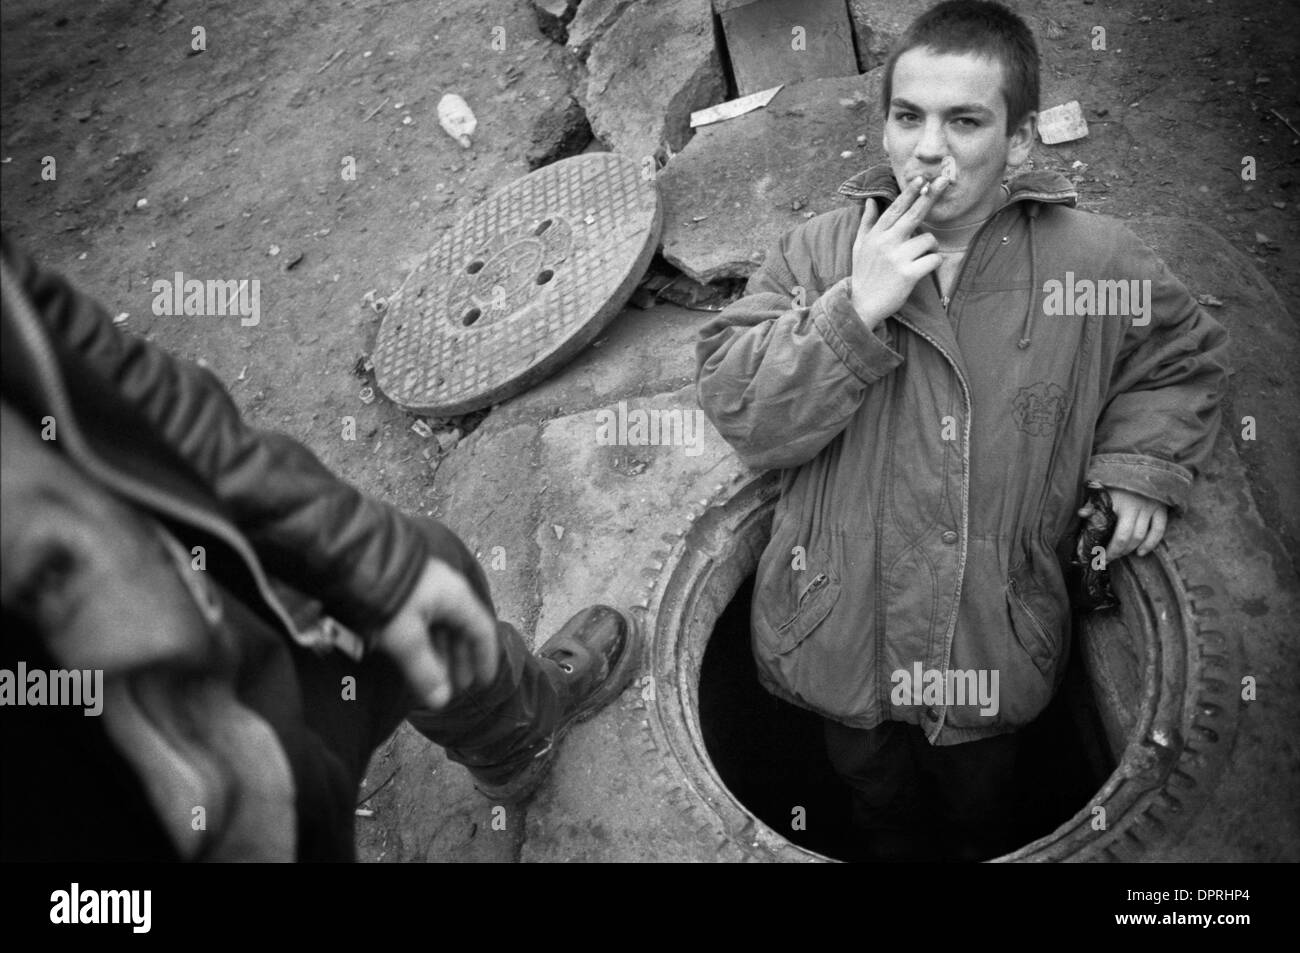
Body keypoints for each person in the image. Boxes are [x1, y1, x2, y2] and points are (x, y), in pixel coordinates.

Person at [695, 0, 1228, 861]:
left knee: (983, 806)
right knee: (873, 799)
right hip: (834, 640)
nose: (927, 148)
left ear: (1018, 142)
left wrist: (1140, 460)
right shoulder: (822, 254)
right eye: (907, 117)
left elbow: (1176, 351)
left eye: (964, 121)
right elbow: (742, 408)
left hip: (994, 641)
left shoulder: (1083, 266)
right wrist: (852, 315)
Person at [0, 231, 640, 861]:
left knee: (434, 582)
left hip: (187, 617)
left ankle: (513, 743)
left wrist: (354, 551)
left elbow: (93, 361)